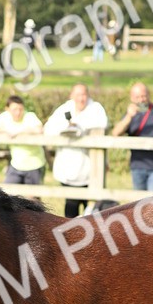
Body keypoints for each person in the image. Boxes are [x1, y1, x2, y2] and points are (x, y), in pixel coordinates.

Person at [44, 84, 108, 218]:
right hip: (68, 167)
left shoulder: (95, 109)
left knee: (90, 208)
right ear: (71, 96)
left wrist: (80, 128)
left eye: (84, 95)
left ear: (88, 95)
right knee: (71, 204)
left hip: (90, 168)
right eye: (78, 95)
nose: (81, 99)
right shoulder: (65, 109)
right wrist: (66, 129)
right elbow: (49, 128)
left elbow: (101, 124)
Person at [112, 81, 153, 194]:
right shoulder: (130, 115)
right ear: (131, 98)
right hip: (137, 164)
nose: (141, 100)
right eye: (137, 97)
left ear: (148, 95)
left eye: (143, 96)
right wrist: (129, 116)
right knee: (138, 202)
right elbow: (116, 133)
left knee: (152, 201)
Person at [0, 96, 46, 188]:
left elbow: (39, 130)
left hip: (33, 164)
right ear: (7, 109)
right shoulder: (5, 117)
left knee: (33, 199)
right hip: (16, 164)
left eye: (21, 109)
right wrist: (5, 131)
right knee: (7, 194)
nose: (18, 112)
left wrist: (18, 132)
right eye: (15, 109)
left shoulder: (30, 116)